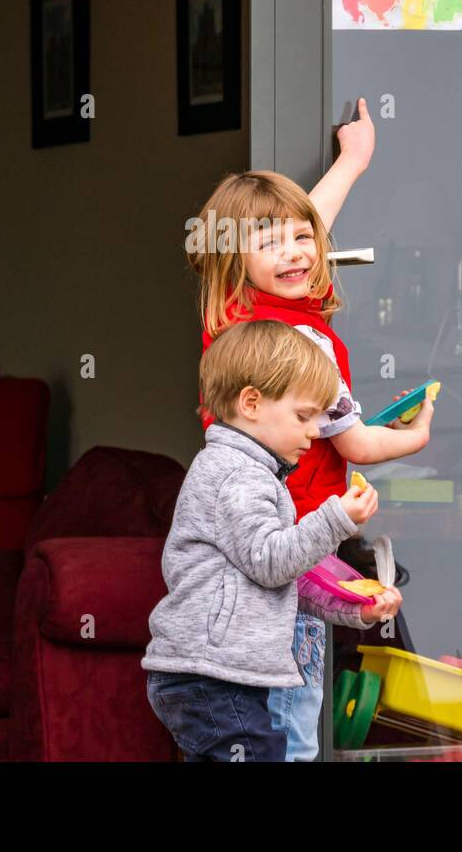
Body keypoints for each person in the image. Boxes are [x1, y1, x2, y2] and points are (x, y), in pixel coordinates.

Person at [188, 120, 435, 759]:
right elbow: (355, 446)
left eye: (305, 239)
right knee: (294, 720)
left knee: (249, 718)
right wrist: (412, 437)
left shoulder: (236, 317)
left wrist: (351, 163)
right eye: (275, 243)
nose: (298, 252)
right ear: (233, 256)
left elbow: (294, 230)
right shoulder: (307, 346)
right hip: (296, 547)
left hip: (236, 547)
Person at [142, 319, 383, 761]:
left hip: (217, 677)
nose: (315, 432)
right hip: (213, 676)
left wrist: (357, 608)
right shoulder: (237, 475)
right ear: (251, 402)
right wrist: (336, 517)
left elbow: (283, 580)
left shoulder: (256, 475)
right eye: (303, 416)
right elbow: (272, 560)